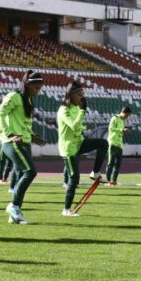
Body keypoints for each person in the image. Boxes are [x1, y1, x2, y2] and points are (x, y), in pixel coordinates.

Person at [0, 70, 47, 224]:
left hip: (23, 141)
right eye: (36, 88)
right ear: (27, 84)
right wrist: (10, 133)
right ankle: (14, 206)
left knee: (22, 174)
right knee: (30, 171)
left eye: (39, 89)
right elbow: (0, 114)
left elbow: (24, 124)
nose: (37, 92)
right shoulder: (14, 96)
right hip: (12, 142)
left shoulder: (29, 101)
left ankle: (13, 213)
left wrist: (32, 135)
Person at [57, 81, 107, 217]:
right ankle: (66, 209)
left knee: (103, 143)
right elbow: (73, 125)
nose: (81, 97)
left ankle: (95, 173)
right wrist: (83, 112)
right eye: (79, 95)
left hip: (79, 143)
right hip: (69, 149)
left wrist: (84, 127)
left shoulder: (76, 108)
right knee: (74, 179)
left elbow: (77, 127)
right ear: (71, 95)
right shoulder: (64, 110)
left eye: (82, 95)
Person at [105, 106, 132, 186]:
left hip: (119, 144)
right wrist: (122, 130)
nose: (127, 117)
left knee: (118, 164)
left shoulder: (123, 121)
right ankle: (107, 181)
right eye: (127, 115)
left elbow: (120, 132)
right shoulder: (114, 118)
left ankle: (113, 181)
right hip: (112, 143)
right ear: (124, 112)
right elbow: (111, 129)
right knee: (110, 163)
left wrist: (124, 131)